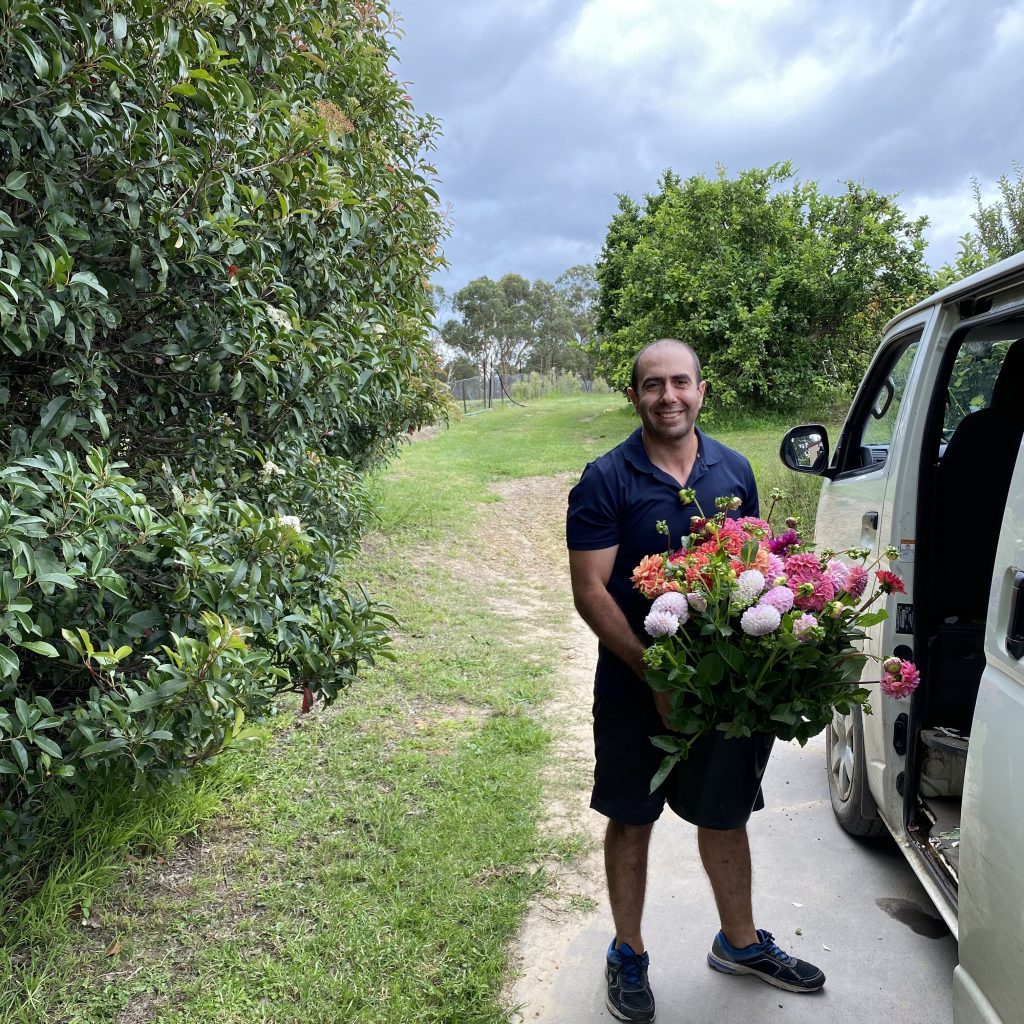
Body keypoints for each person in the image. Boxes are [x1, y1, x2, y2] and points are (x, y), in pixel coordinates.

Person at [566, 339, 824, 1023]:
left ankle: (738, 943)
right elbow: (590, 589)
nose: (668, 396)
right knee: (632, 814)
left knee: (726, 811)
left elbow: (758, 566)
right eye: (653, 385)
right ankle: (628, 950)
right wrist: (652, 671)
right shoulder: (605, 480)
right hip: (632, 681)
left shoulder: (733, 468)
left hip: (724, 687)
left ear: (702, 390)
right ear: (635, 396)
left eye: (681, 383)